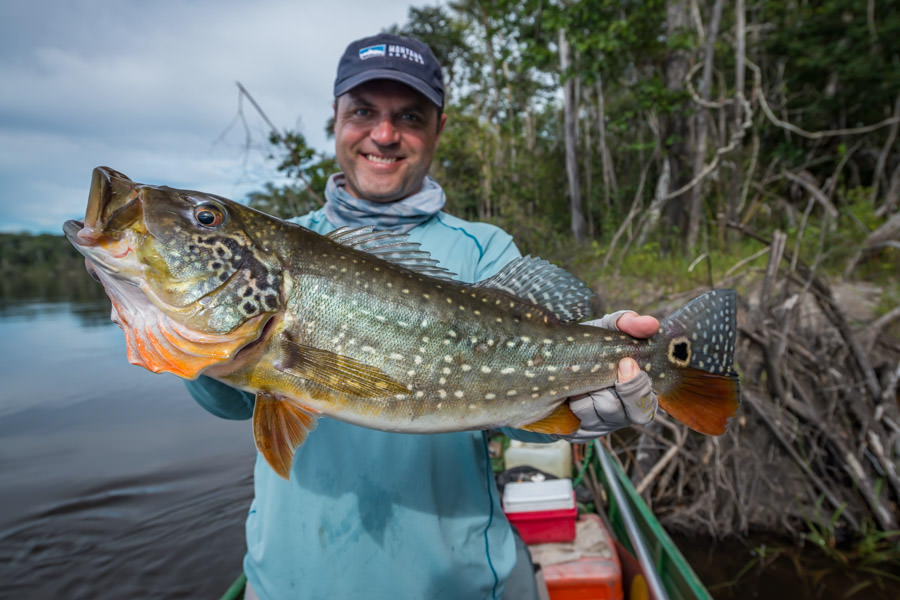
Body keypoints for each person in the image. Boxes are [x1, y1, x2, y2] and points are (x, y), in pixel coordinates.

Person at [186, 33, 660, 600]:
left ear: (437, 130)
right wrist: (186, 342)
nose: (383, 135)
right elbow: (235, 402)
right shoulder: (281, 242)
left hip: (457, 583)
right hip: (292, 582)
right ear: (335, 120)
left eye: (408, 117)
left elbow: (512, 412)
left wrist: (588, 396)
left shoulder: (483, 250)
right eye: (364, 111)